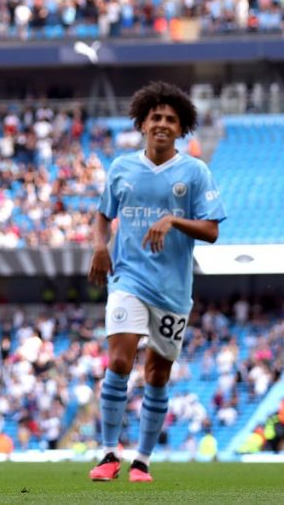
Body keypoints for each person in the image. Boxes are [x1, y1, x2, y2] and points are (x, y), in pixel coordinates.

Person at [87, 81, 225, 483]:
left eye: (171, 119)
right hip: (127, 278)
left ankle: (142, 460)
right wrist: (100, 246)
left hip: (173, 289)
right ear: (142, 124)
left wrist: (173, 219)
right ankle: (109, 453)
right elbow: (101, 215)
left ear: (181, 129)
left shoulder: (195, 172)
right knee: (118, 361)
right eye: (156, 117)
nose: (162, 123)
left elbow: (212, 230)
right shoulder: (122, 167)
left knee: (158, 375)